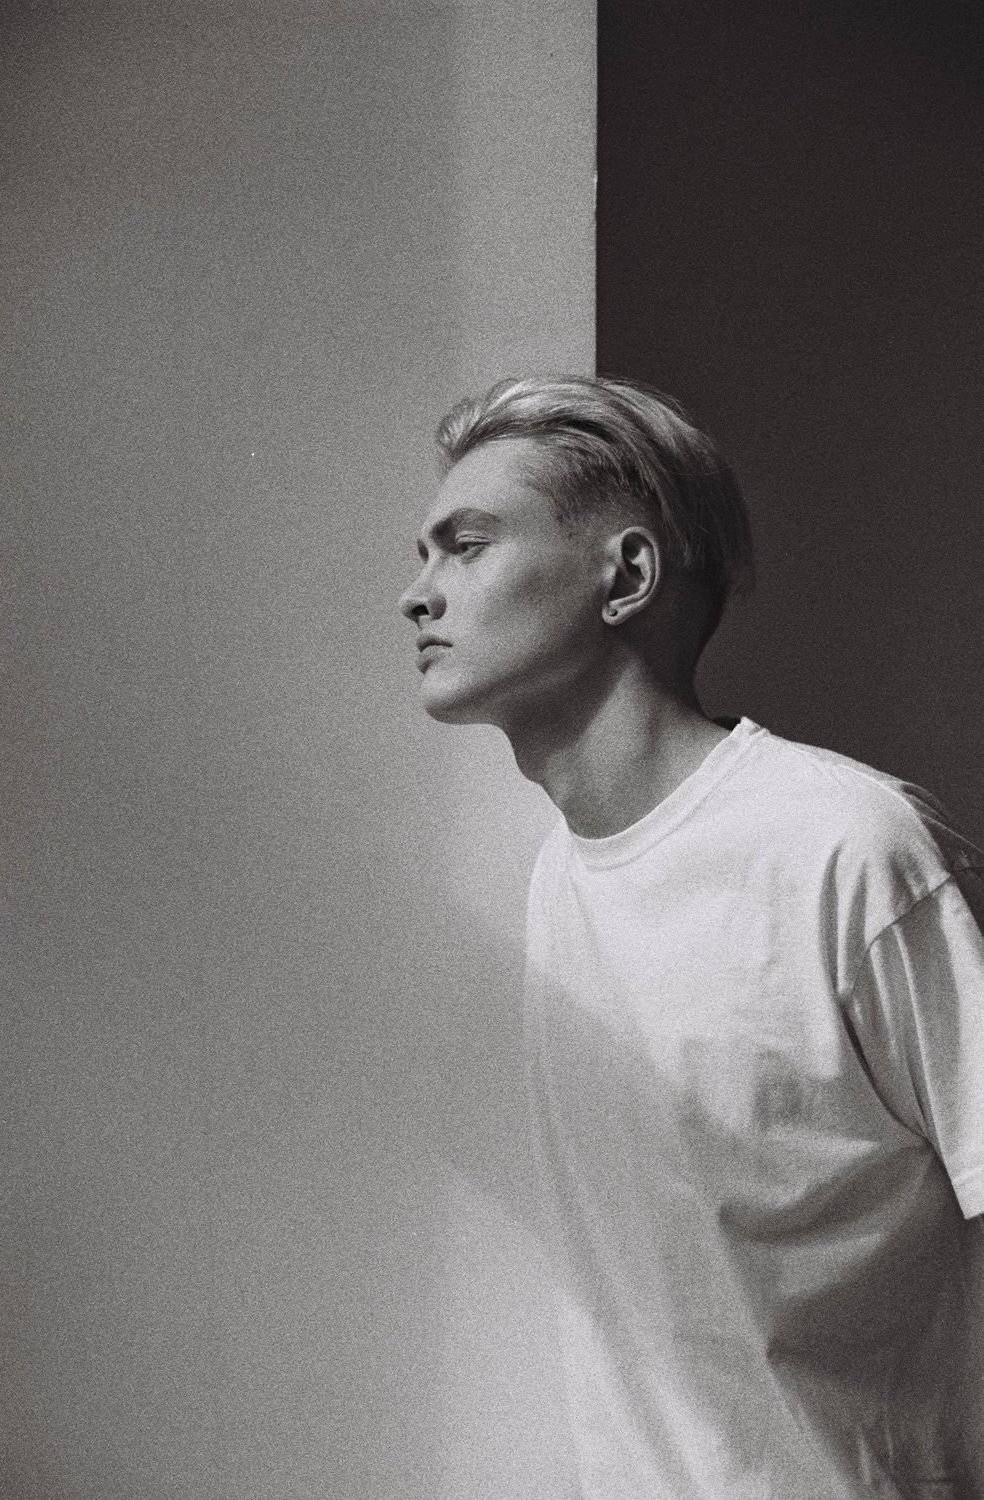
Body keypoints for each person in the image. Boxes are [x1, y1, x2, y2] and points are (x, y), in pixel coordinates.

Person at [399, 374, 984, 1498]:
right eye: (423, 556)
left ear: (625, 577)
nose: (417, 595)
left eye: (465, 547)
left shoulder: (845, 849)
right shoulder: (561, 873)